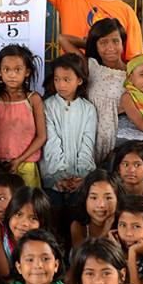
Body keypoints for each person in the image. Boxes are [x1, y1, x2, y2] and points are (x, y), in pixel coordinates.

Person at [0, 45, 46, 187]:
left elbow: (41, 136)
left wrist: (19, 160)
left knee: (27, 199)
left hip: (26, 164)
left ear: (27, 72)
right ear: (0, 71)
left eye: (18, 70)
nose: (12, 75)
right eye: (7, 69)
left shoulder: (33, 99)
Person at [40, 53, 96, 206]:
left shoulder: (88, 109)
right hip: (53, 177)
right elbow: (51, 142)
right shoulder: (47, 106)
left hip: (81, 179)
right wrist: (60, 177)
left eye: (67, 79)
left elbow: (87, 143)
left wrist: (82, 176)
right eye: (57, 79)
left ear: (79, 80)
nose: (61, 85)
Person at [85, 18, 129, 164]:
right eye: (103, 42)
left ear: (123, 43)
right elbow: (63, 39)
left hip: (117, 141)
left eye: (115, 41)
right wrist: (90, 44)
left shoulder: (133, 72)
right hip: (89, 138)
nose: (110, 47)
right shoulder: (92, 67)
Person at [0, 186, 51, 280]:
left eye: (33, 218)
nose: (24, 223)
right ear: (10, 212)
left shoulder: (42, 244)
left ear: (42, 223)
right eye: (18, 214)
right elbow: (5, 276)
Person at [111, 196, 143, 284]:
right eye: (122, 225)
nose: (128, 233)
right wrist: (116, 251)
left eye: (136, 226)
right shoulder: (107, 253)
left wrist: (132, 253)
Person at [69, 170, 124, 248]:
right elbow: (82, 253)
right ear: (85, 199)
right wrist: (105, 231)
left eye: (108, 198)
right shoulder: (78, 226)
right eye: (94, 198)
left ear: (118, 199)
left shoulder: (124, 225)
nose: (101, 205)